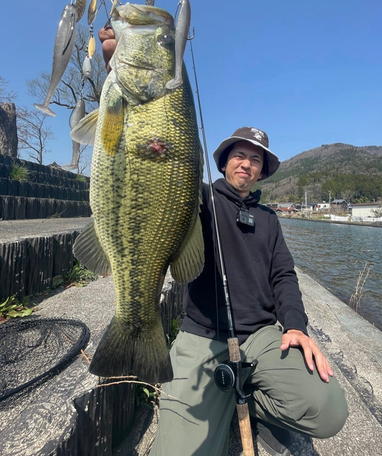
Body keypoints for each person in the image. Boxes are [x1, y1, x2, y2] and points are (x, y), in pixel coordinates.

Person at [98, 29, 348, 456]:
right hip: (201, 336)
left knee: (329, 411)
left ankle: (249, 394)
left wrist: (295, 327)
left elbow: (285, 276)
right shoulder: (197, 197)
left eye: (255, 160)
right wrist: (112, 67)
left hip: (264, 336)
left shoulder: (271, 221)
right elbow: (152, 166)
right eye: (239, 155)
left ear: (262, 172)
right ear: (224, 160)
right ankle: (223, 398)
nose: (246, 164)